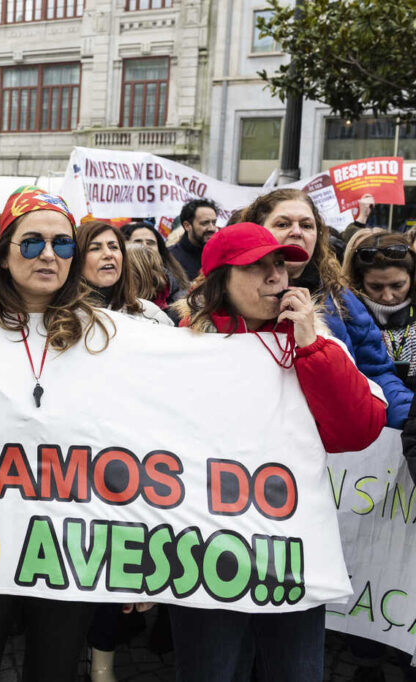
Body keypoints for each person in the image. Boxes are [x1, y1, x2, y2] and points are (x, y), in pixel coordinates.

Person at [173, 222, 385, 681]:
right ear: (219, 282)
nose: (275, 276)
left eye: (279, 265)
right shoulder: (180, 351)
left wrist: (310, 348)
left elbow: (358, 429)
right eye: (256, 267)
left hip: (289, 553)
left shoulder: (313, 342)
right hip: (205, 552)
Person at [0, 186, 111, 682]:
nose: (49, 255)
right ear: (3, 254)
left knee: (54, 669)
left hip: (66, 539)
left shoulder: (108, 337)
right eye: (32, 242)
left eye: (62, 244)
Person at [243, 188, 413, 428]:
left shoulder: (340, 299)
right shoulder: (228, 298)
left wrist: (409, 417)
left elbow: (376, 374)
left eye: (306, 225)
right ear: (256, 231)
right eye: (282, 224)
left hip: (331, 447)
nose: (296, 232)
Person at [343, 230, 416, 389]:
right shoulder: (343, 318)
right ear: (359, 281)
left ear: (412, 277)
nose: (388, 297)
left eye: (398, 286)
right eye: (376, 287)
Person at [76, 220, 173, 326]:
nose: (108, 254)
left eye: (114, 247)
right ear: (77, 259)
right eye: (95, 248)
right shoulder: (62, 318)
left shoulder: (151, 315)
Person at [121, 221, 189, 303]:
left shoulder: (175, 283)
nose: (145, 246)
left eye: (150, 243)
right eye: (138, 242)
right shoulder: (116, 283)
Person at [168, 199, 219, 280]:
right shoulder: (170, 258)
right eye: (205, 223)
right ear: (187, 226)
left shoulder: (220, 255)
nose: (212, 228)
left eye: (214, 223)